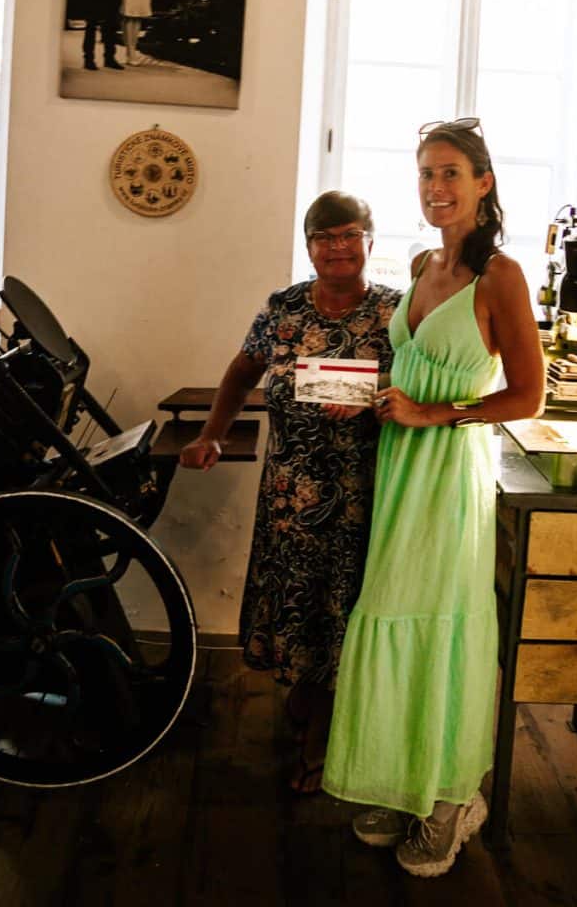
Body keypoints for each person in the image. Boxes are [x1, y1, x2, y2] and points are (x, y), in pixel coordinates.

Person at [322, 119, 545, 876]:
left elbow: (527, 397)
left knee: (441, 624)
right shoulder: (419, 263)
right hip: (399, 468)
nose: (435, 188)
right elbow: (413, 370)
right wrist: (386, 398)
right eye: (423, 174)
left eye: (449, 173)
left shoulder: (502, 276)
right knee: (389, 614)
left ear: (483, 182)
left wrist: (434, 412)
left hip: (450, 474)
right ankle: (399, 777)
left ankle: (449, 797)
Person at [179, 191, 401, 794]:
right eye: (325, 237)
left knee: (342, 608)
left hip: (363, 495)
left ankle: (324, 733)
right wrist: (212, 436)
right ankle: (305, 702)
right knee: (297, 602)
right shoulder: (282, 308)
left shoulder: (395, 313)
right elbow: (242, 372)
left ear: (369, 243)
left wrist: (378, 389)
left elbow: (418, 386)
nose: (338, 248)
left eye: (350, 235)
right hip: (288, 495)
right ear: (308, 247)